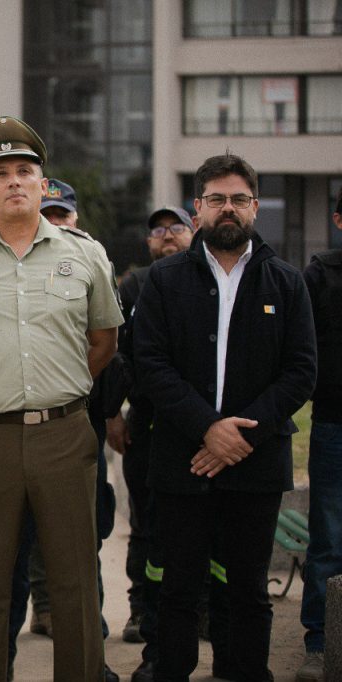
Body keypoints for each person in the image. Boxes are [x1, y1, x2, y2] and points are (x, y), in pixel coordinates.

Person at [0, 115, 122, 681]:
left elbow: (103, 341)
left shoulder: (85, 255)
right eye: (1, 172)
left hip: (64, 434)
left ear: (43, 184)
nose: (15, 181)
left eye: (25, 171)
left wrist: (59, 386)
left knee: (75, 581)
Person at [132, 153, 316, 681]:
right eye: (216, 199)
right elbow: (150, 363)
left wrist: (239, 435)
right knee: (179, 589)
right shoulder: (165, 280)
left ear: (255, 207)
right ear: (198, 209)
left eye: (238, 199)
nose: (227, 209)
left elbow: (300, 372)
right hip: (182, 460)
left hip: (255, 463)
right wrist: (207, 429)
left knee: (249, 592)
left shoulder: (286, 283)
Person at [7, 177, 121, 682]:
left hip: (79, 422)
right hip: (12, 428)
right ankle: (31, 618)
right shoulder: (9, 265)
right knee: (15, 547)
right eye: (46, 212)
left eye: (62, 214)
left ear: (75, 218)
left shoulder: (92, 262)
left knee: (83, 541)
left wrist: (78, 391)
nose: (54, 221)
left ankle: (87, 648)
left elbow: (111, 345)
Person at [103, 205, 195, 680]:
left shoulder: (203, 281)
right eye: (158, 231)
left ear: (191, 231)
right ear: (149, 242)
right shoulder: (133, 287)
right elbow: (115, 354)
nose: (167, 236)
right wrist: (113, 414)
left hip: (198, 427)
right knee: (145, 524)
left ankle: (199, 613)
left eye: (175, 227)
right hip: (145, 423)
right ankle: (142, 609)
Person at [296, 187, 342, 682]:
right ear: (337, 219)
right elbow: (302, 350)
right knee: (329, 539)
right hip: (335, 425)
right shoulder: (320, 276)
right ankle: (319, 643)